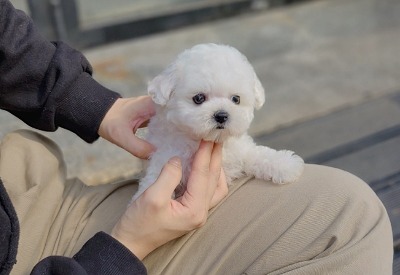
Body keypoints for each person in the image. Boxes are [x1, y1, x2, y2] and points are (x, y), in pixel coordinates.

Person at [0, 0, 394, 274]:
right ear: (169, 93)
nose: (221, 112)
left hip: (26, 192)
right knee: (350, 220)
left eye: (235, 100)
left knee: (352, 208)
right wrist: (127, 245)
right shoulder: (167, 135)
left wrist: (87, 101)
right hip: (60, 255)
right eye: (201, 99)